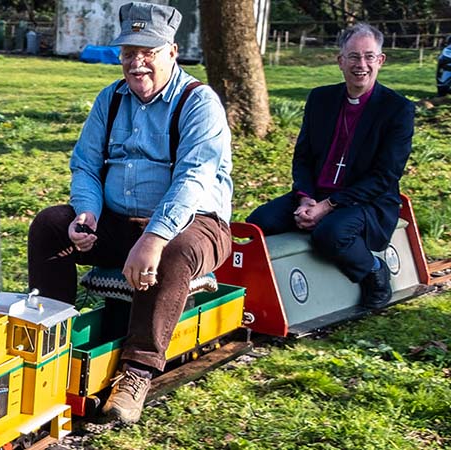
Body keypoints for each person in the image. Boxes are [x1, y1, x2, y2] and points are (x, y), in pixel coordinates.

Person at [26, 2, 232, 424]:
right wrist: (86, 215)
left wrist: (154, 239)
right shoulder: (110, 99)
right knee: (49, 225)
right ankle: (51, 342)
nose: (136, 63)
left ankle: (137, 372)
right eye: (127, 52)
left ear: (172, 52)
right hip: (120, 223)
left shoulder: (199, 103)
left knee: (175, 251)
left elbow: (192, 180)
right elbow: (85, 163)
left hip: (194, 224)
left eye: (148, 52)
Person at [246, 23, 414, 310]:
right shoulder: (321, 99)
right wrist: (306, 198)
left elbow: (385, 176)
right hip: (316, 193)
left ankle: (374, 271)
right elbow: (303, 158)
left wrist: (328, 206)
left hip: (367, 201)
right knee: (259, 222)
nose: (361, 65)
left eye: (369, 57)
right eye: (353, 56)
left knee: (331, 233)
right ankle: (277, 289)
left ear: (381, 61)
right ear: (340, 61)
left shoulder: (397, 109)